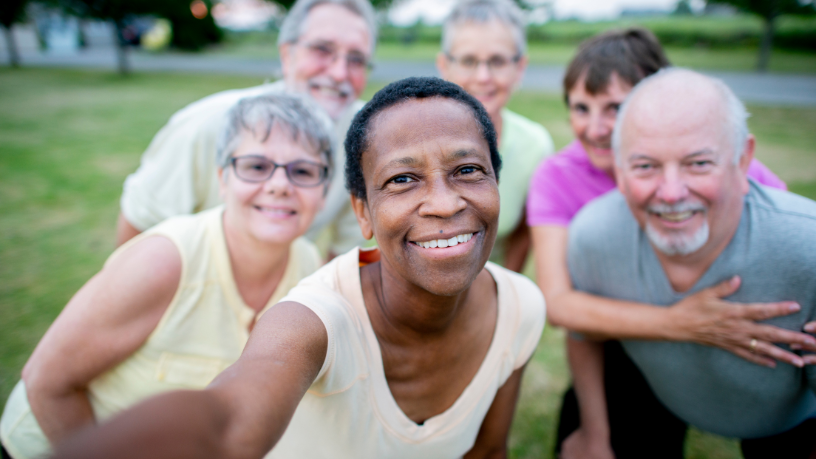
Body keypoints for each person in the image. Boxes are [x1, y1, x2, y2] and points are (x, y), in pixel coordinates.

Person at [50, 77, 546, 459]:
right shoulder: (316, 318)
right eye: (402, 179)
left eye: (467, 170)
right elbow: (228, 419)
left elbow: (486, 451)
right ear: (362, 213)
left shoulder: (520, 307)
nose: (442, 203)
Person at [524, 29, 815, 458]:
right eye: (580, 108)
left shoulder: (737, 177)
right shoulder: (563, 180)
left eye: (615, 109)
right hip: (625, 337)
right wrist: (683, 322)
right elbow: (563, 305)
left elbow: (775, 246)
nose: (595, 127)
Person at [0, 94, 332, 459]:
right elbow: (47, 382)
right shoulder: (164, 261)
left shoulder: (307, 264)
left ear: (325, 190)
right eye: (256, 166)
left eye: (303, 171)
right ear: (222, 179)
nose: (280, 185)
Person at [116, 0, 377, 257]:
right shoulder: (206, 124)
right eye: (322, 49)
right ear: (287, 54)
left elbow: (348, 253)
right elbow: (139, 229)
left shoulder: (367, 137)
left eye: (356, 59)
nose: (340, 72)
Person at [436, 0, 554, 272]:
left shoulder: (534, 146)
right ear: (444, 65)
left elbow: (522, 235)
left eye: (497, 61)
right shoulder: (411, 138)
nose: (483, 76)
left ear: (519, 68)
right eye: (468, 60)